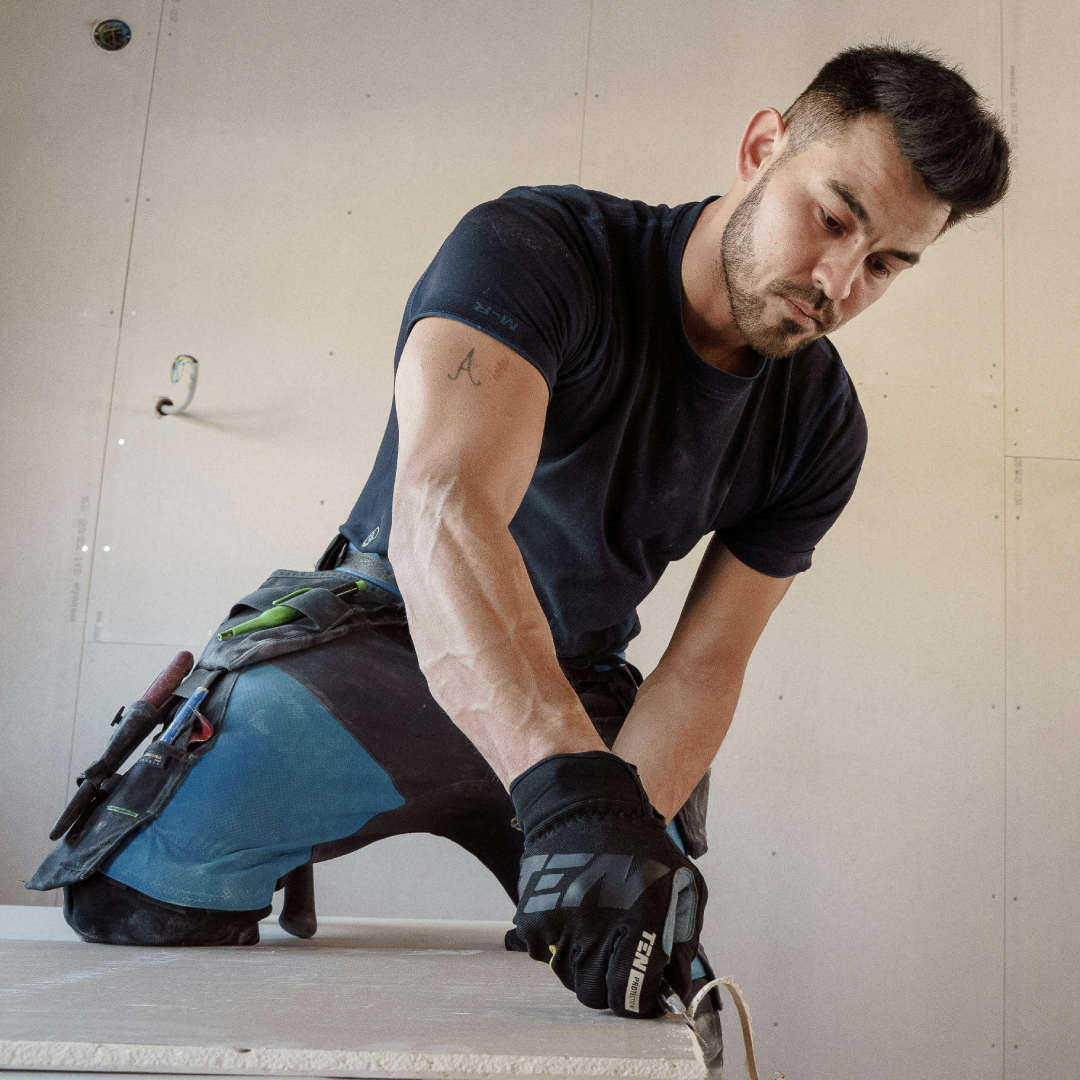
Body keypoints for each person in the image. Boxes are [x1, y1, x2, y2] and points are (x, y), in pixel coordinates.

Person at [31, 43, 1008, 1062]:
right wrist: (567, 796)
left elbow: (708, 662)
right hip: (381, 655)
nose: (839, 280)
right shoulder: (536, 249)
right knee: (132, 915)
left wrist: (615, 837)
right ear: (763, 147)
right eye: (835, 217)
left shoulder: (820, 424)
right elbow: (445, 510)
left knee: (624, 967)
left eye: (888, 263)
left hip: (581, 694)